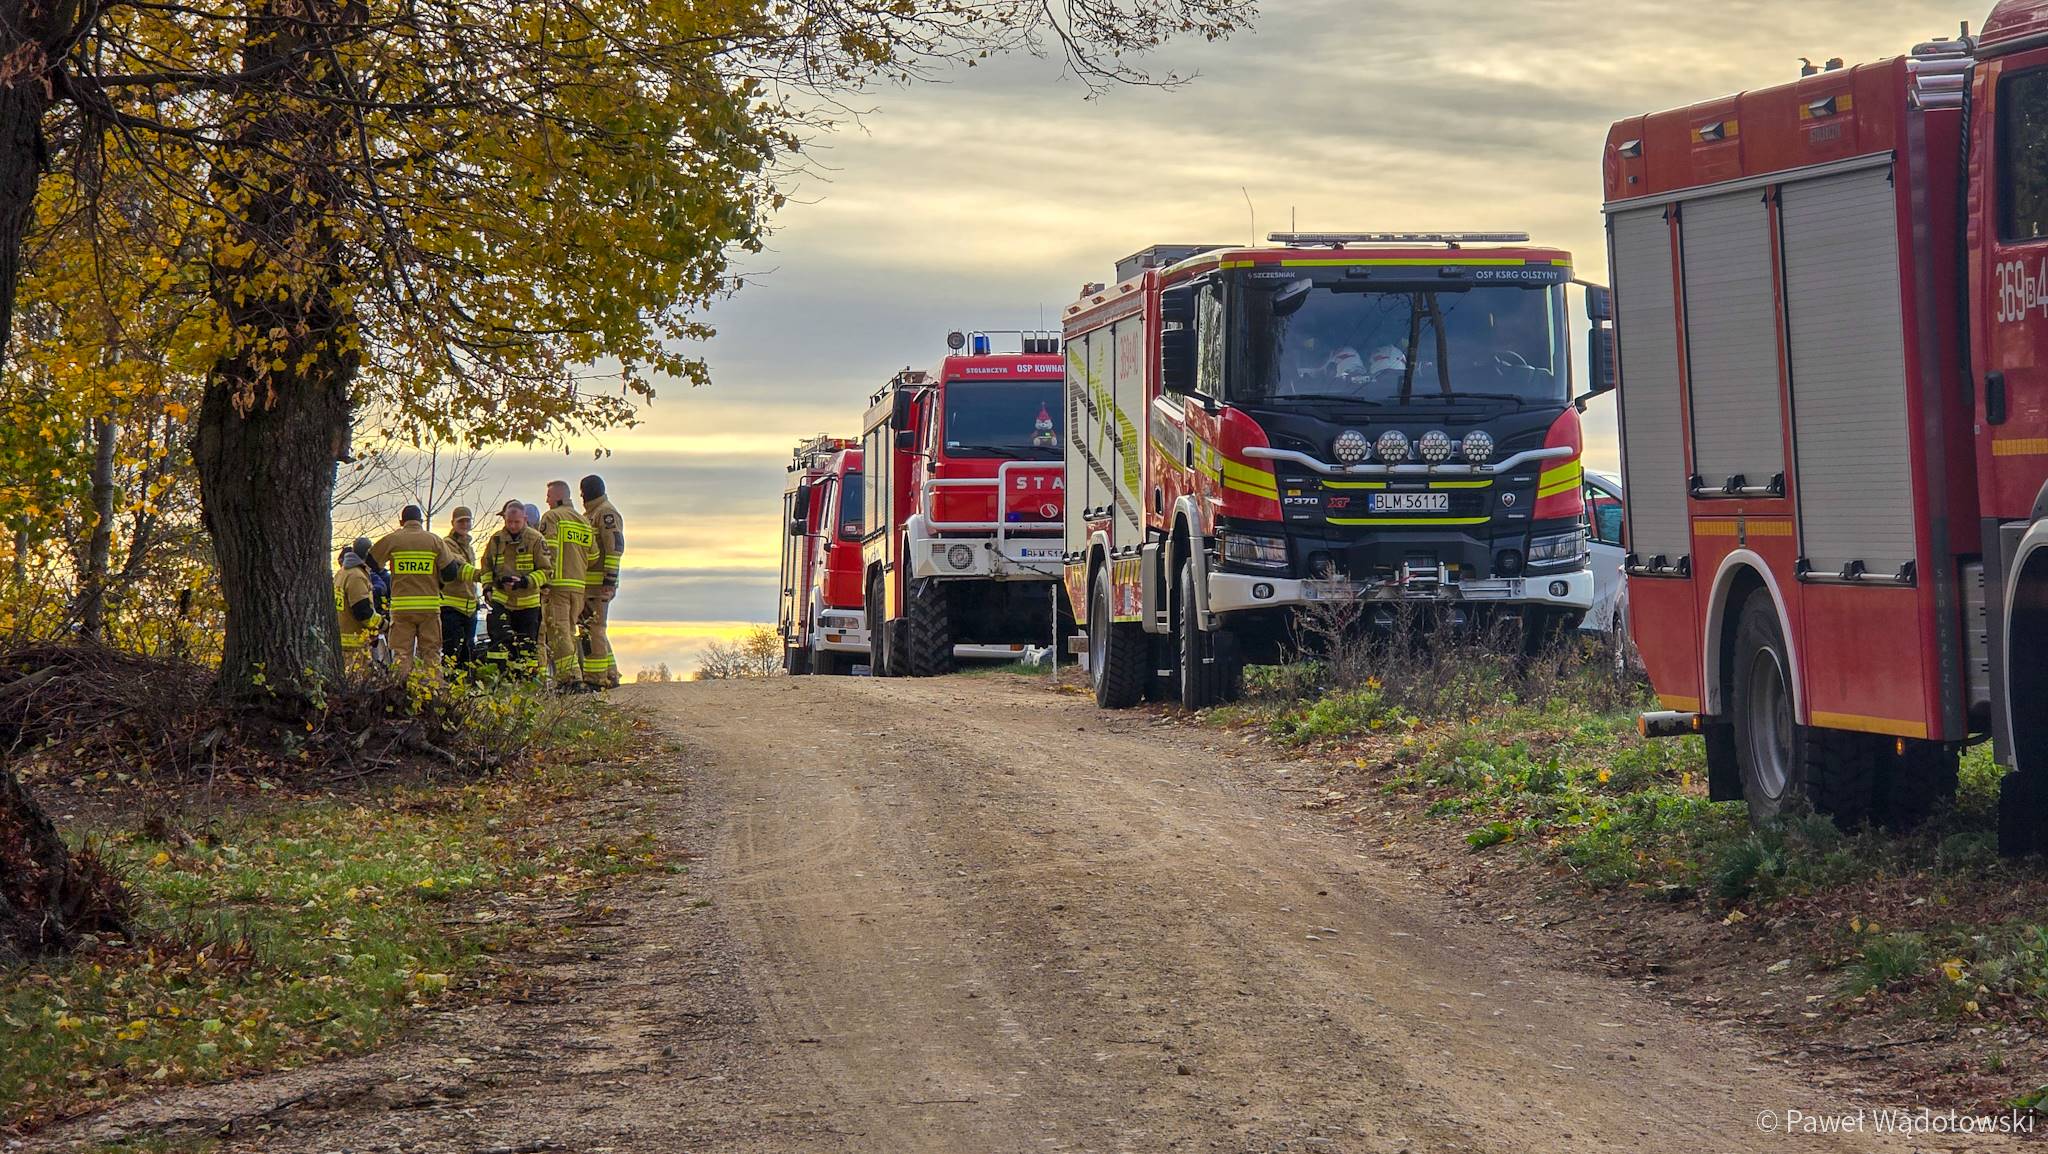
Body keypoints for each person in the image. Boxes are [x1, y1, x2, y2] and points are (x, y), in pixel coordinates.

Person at [370, 504, 476, 679]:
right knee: (432, 653)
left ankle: (401, 690)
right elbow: (450, 572)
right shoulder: (435, 541)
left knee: (402, 654)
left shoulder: (393, 539)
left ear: (401, 522)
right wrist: (436, 583)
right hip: (429, 609)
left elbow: (372, 562)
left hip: (402, 608)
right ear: (421, 521)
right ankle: (433, 691)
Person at [480, 499, 551, 674]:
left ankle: (524, 681)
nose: (512, 526)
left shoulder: (536, 539)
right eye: (509, 522)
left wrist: (525, 581)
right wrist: (488, 587)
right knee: (499, 645)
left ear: (525, 519)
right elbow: (486, 566)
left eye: (516, 522)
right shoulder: (496, 540)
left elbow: (546, 571)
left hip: (528, 604)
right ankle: (500, 679)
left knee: (526, 648)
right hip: (502, 601)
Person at [538, 481, 594, 691]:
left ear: (558, 496)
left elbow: (548, 551)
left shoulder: (552, 517)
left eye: (549, 496)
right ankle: (573, 675)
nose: (547, 500)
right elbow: (594, 555)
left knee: (559, 632)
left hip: (557, 586)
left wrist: (545, 580)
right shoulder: (584, 521)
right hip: (578, 586)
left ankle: (571, 679)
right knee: (569, 631)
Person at [578, 475, 624, 690]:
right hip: (589, 585)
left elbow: (615, 547)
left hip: (599, 585)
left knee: (594, 629)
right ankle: (610, 673)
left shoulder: (606, 513)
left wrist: (610, 580)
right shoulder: (591, 514)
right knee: (592, 629)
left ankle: (597, 679)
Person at [440, 506, 481, 669]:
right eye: (460, 521)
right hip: (451, 609)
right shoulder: (447, 545)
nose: (464, 524)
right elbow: (459, 569)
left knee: (467, 653)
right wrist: (482, 575)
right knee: (451, 653)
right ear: (453, 523)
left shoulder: (469, 547)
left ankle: (465, 681)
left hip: (469, 609)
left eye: (467, 521)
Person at [334, 546, 381, 674]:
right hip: (355, 646)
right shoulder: (357, 576)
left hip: (342, 642)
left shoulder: (341, 573)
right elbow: (363, 613)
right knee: (357, 680)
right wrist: (383, 625)